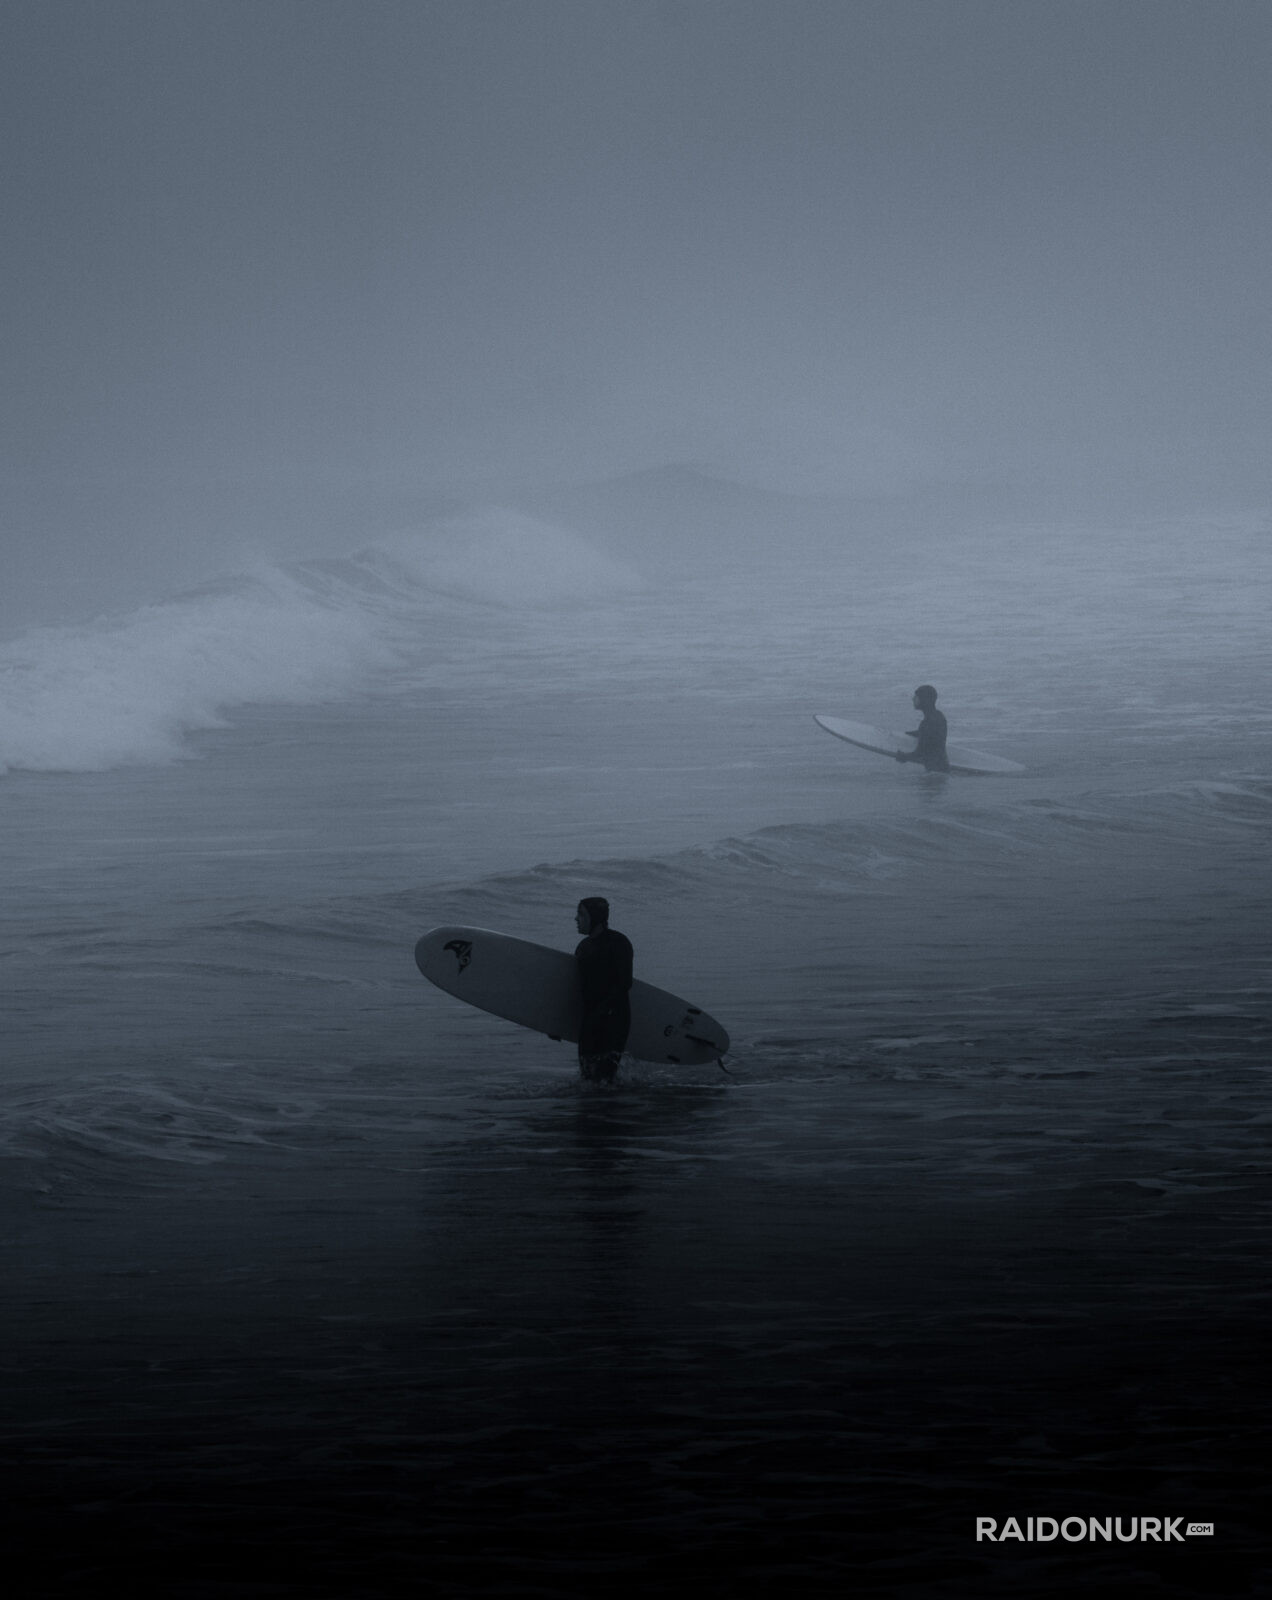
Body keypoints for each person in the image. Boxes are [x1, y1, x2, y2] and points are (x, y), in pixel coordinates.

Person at [574, 896, 633, 1082]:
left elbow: (624, 983)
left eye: (581, 914)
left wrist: (604, 1011)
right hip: (589, 1020)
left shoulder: (618, 942)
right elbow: (577, 988)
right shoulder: (583, 947)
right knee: (587, 1079)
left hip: (613, 1020)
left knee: (606, 1080)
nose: (576, 919)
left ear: (595, 917)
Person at [896, 684, 950, 773]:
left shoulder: (927, 723)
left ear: (925, 700)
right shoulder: (939, 716)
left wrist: (903, 756)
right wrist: (911, 733)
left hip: (933, 775)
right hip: (943, 768)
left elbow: (920, 754)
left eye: (916, 697)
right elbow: (931, 736)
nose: (913, 699)